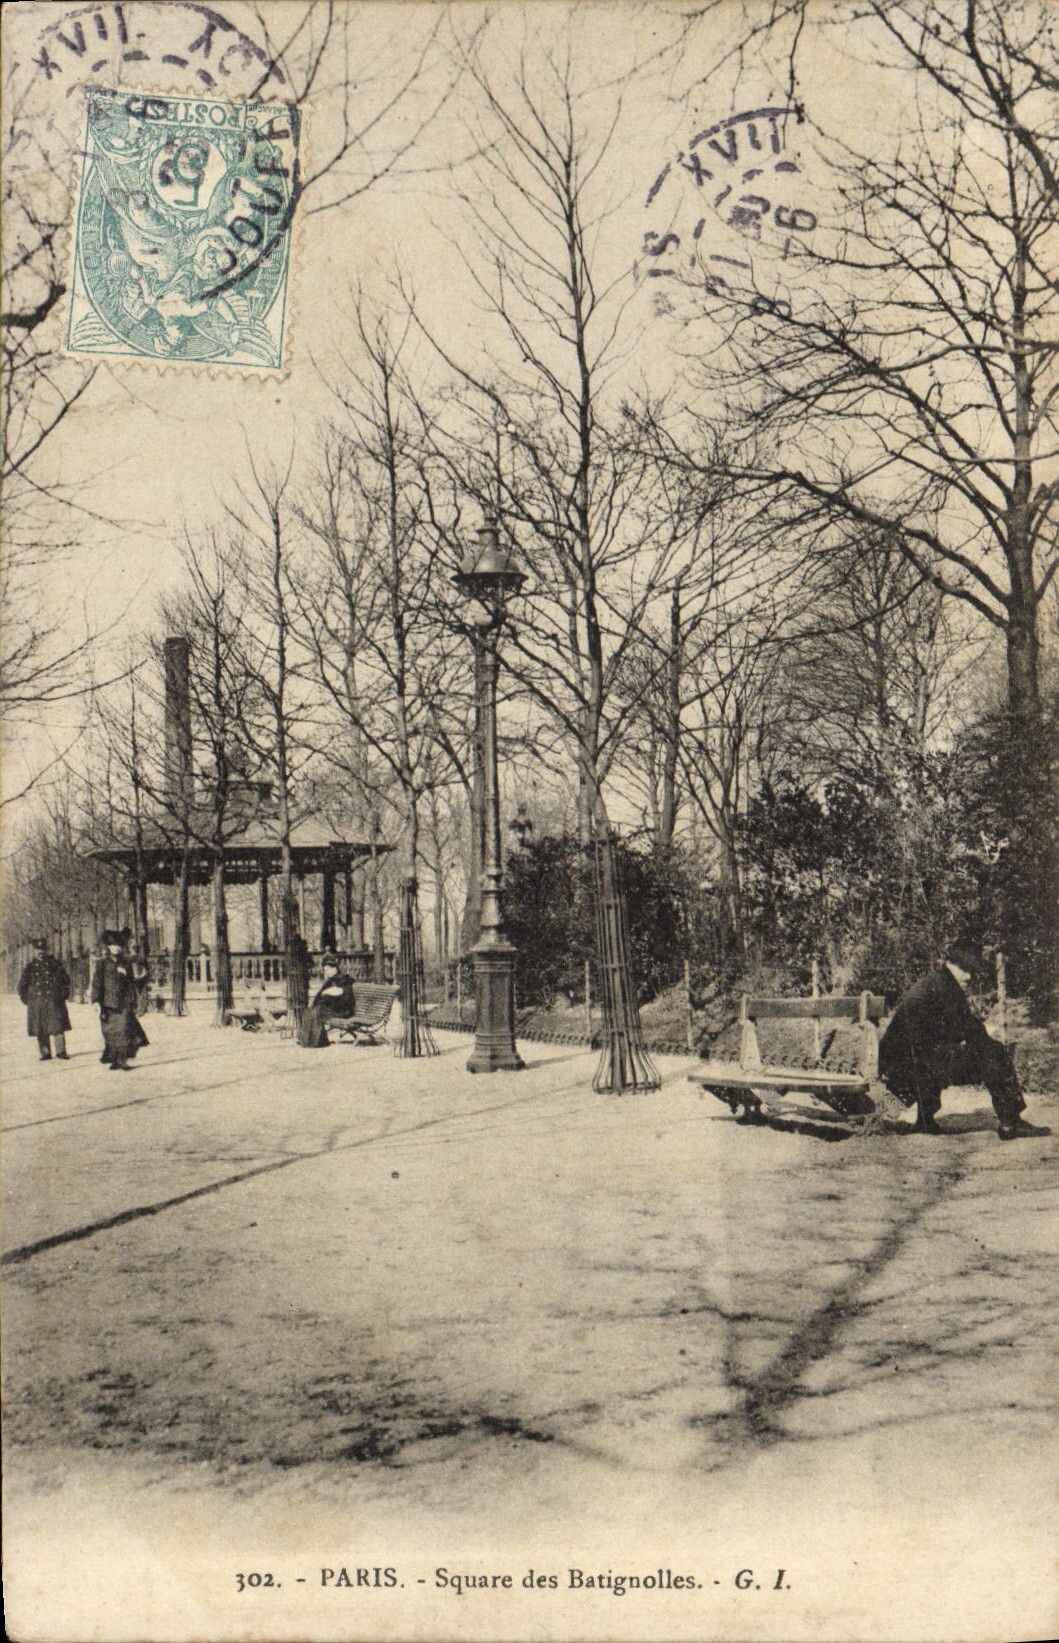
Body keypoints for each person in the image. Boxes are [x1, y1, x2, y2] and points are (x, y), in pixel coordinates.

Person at [879, 939, 1049, 1141]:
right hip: (910, 1065)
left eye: (972, 971)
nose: (969, 976)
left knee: (940, 1052)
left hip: (898, 1063)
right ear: (952, 964)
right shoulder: (946, 988)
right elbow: (968, 1030)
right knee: (995, 1053)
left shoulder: (936, 982)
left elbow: (951, 1030)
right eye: (965, 970)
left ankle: (925, 1120)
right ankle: (1011, 1121)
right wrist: (989, 1040)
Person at [90, 930, 149, 1071]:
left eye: (118, 946)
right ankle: (115, 1059)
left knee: (124, 1031)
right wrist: (96, 1001)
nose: (116, 948)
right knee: (110, 1032)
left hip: (124, 1002)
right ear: (108, 947)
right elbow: (97, 983)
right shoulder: (102, 964)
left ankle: (122, 1061)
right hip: (108, 1003)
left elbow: (133, 981)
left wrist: (128, 975)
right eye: (112, 946)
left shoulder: (127, 962)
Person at [18, 937, 72, 1062]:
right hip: (38, 1002)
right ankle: (45, 1052)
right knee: (40, 1028)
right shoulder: (30, 967)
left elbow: (65, 980)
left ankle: (61, 1051)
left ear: (46, 949)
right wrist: (29, 1000)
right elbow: (22, 986)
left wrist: (63, 994)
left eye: (42, 949)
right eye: (37, 949)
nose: (40, 951)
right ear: (33, 950)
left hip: (54, 1000)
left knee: (57, 1026)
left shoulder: (55, 964)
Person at [299, 954, 356, 1048]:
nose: (326, 972)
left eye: (328, 969)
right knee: (310, 1011)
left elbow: (341, 992)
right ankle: (307, 1040)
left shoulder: (344, 979)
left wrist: (326, 992)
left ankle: (317, 1042)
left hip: (342, 1009)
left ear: (335, 969)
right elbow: (322, 994)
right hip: (332, 1008)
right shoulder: (330, 980)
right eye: (325, 970)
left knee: (317, 1012)